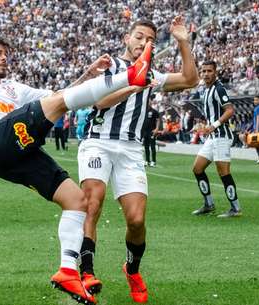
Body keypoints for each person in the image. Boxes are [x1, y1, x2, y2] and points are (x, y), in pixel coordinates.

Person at [0, 34, 154, 305]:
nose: (4, 57)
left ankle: (68, 270)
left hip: (17, 154)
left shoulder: (15, 89)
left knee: (77, 200)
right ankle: (131, 75)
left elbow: (60, 97)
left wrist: (87, 74)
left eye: (5, 53)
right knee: (58, 107)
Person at [77, 17, 198, 303]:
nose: (144, 43)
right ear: (127, 39)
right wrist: (135, 84)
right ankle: (87, 272)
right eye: (139, 37)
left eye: (150, 40)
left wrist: (182, 40)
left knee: (136, 219)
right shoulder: (110, 66)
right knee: (92, 203)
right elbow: (100, 102)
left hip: (131, 149)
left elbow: (190, 79)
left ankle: (132, 269)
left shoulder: (153, 74)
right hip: (98, 143)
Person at [191, 60, 242, 218]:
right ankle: (209, 204)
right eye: (204, 71)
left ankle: (235, 208)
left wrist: (213, 125)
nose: (206, 74)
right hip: (212, 137)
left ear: (215, 72)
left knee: (223, 172)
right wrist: (203, 126)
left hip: (221, 136)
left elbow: (230, 110)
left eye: (209, 71)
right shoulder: (206, 90)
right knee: (197, 168)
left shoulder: (219, 89)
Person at [142, 99, 161, 167]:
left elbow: (158, 120)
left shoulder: (154, 111)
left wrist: (157, 128)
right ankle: (147, 160)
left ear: (151, 103)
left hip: (152, 131)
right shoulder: (143, 111)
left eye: (149, 102)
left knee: (152, 146)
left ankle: (153, 161)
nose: (148, 103)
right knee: (146, 146)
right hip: (145, 131)